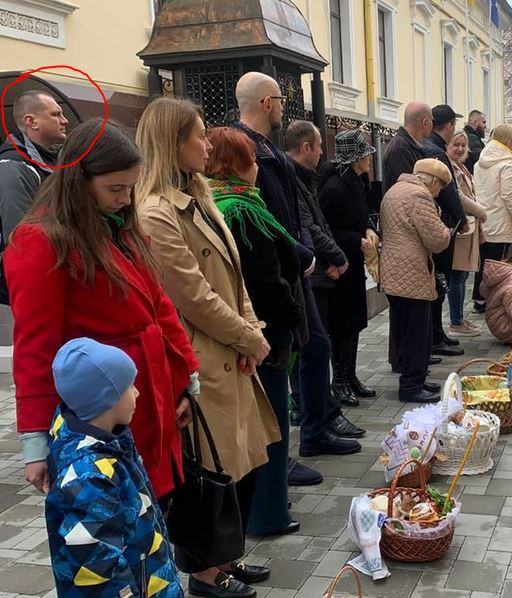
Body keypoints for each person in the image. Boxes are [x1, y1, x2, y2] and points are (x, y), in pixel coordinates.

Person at [5, 119, 198, 505]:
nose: (126, 199)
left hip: (151, 393)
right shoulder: (41, 242)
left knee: (157, 508)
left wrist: (187, 376)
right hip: (103, 411)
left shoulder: (118, 226)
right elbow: (36, 346)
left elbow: (159, 306)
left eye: (130, 187)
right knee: (117, 519)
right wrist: (35, 440)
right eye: (115, 188)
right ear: (79, 181)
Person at [136, 96, 279, 596]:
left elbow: (233, 276)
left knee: (237, 465)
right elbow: (190, 292)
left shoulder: (200, 194)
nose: (207, 142)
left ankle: (224, 560)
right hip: (202, 356)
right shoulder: (155, 210)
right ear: (174, 142)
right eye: (199, 134)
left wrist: (251, 329)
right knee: (210, 470)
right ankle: (203, 575)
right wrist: (247, 336)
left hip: (232, 350)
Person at [232, 72, 360, 465]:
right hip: (274, 274)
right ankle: (282, 455)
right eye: (281, 101)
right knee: (281, 358)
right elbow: (266, 219)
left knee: (314, 345)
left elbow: (294, 215)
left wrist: (305, 254)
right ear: (266, 103)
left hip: (293, 267)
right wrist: (306, 255)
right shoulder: (246, 150)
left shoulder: (269, 151)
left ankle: (314, 431)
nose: (285, 107)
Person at [205, 126, 304, 539]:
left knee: (255, 428)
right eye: (251, 157)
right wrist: (291, 314)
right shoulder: (241, 209)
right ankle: (268, 513)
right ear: (238, 163)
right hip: (262, 334)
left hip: (244, 334)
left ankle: (262, 509)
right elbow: (265, 277)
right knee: (269, 427)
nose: (257, 167)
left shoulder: (215, 203)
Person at [46, 338, 183, 597]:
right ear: (106, 398)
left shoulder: (110, 441)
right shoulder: (88, 476)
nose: (137, 392)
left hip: (148, 578)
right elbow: (97, 566)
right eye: (130, 386)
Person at [284, 121, 364, 439]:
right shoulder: (296, 177)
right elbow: (310, 228)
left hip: (318, 269)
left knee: (317, 345)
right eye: (318, 147)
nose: (321, 154)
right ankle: (315, 416)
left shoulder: (307, 179)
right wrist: (336, 257)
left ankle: (320, 416)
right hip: (310, 272)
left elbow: (317, 224)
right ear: (306, 147)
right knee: (312, 347)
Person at [380, 159, 452, 403]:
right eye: (440, 187)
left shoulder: (395, 189)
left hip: (393, 270)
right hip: (411, 272)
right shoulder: (420, 197)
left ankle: (415, 378)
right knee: (418, 332)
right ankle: (411, 386)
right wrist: (445, 225)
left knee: (406, 328)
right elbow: (437, 240)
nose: (439, 192)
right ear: (432, 181)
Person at [317, 129, 378, 406]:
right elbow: (327, 230)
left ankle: (350, 375)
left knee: (354, 321)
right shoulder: (334, 187)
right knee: (341, 325)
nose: (369, 159)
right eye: (366, 154)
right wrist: (358, 238)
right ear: (355, 158)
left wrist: (368, 228)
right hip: (339, 266)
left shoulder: (357, 181)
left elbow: (361, 217)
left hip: (353, 263)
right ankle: (338, 381)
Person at [421, 105, 467, 358]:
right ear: (448, 126)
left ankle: (437, 334)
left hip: (440, 222)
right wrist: (461, 217)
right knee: (440, 283)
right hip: (442, 224)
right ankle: (435, 337)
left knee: (439, 284)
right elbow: (448, 191)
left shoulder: (429, 147)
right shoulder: (436, 152)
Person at [0, 91, 67, 245]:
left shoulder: (54, 161)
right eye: (56, 115)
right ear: (32, 121)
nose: (65, 121)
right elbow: (19, 240)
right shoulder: (13, 167)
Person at [472, 125, 512, 313]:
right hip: (500, 219)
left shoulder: (479, 162)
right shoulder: (506, 162)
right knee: (497, 263)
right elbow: (508, 193)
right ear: (508, 140)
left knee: (482, 262)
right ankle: (491, 298)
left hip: (483, 217)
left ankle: (478, 297)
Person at [446, 129, 486, 337]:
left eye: (463, 145)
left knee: (461, 276)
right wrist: (481, 211)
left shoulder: (460, 165)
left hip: (467, 225)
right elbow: (459, 195)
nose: (460, 148)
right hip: (461, 227)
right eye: (456, 144)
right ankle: (455, 321)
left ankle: (459, 318)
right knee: (457, 276)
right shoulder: (449, 167)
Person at [383, 101, 433, 192]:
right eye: (432, 120)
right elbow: (411, 188)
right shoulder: (400, 148)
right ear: (425, 123)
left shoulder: (407, 145)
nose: (432, 124)